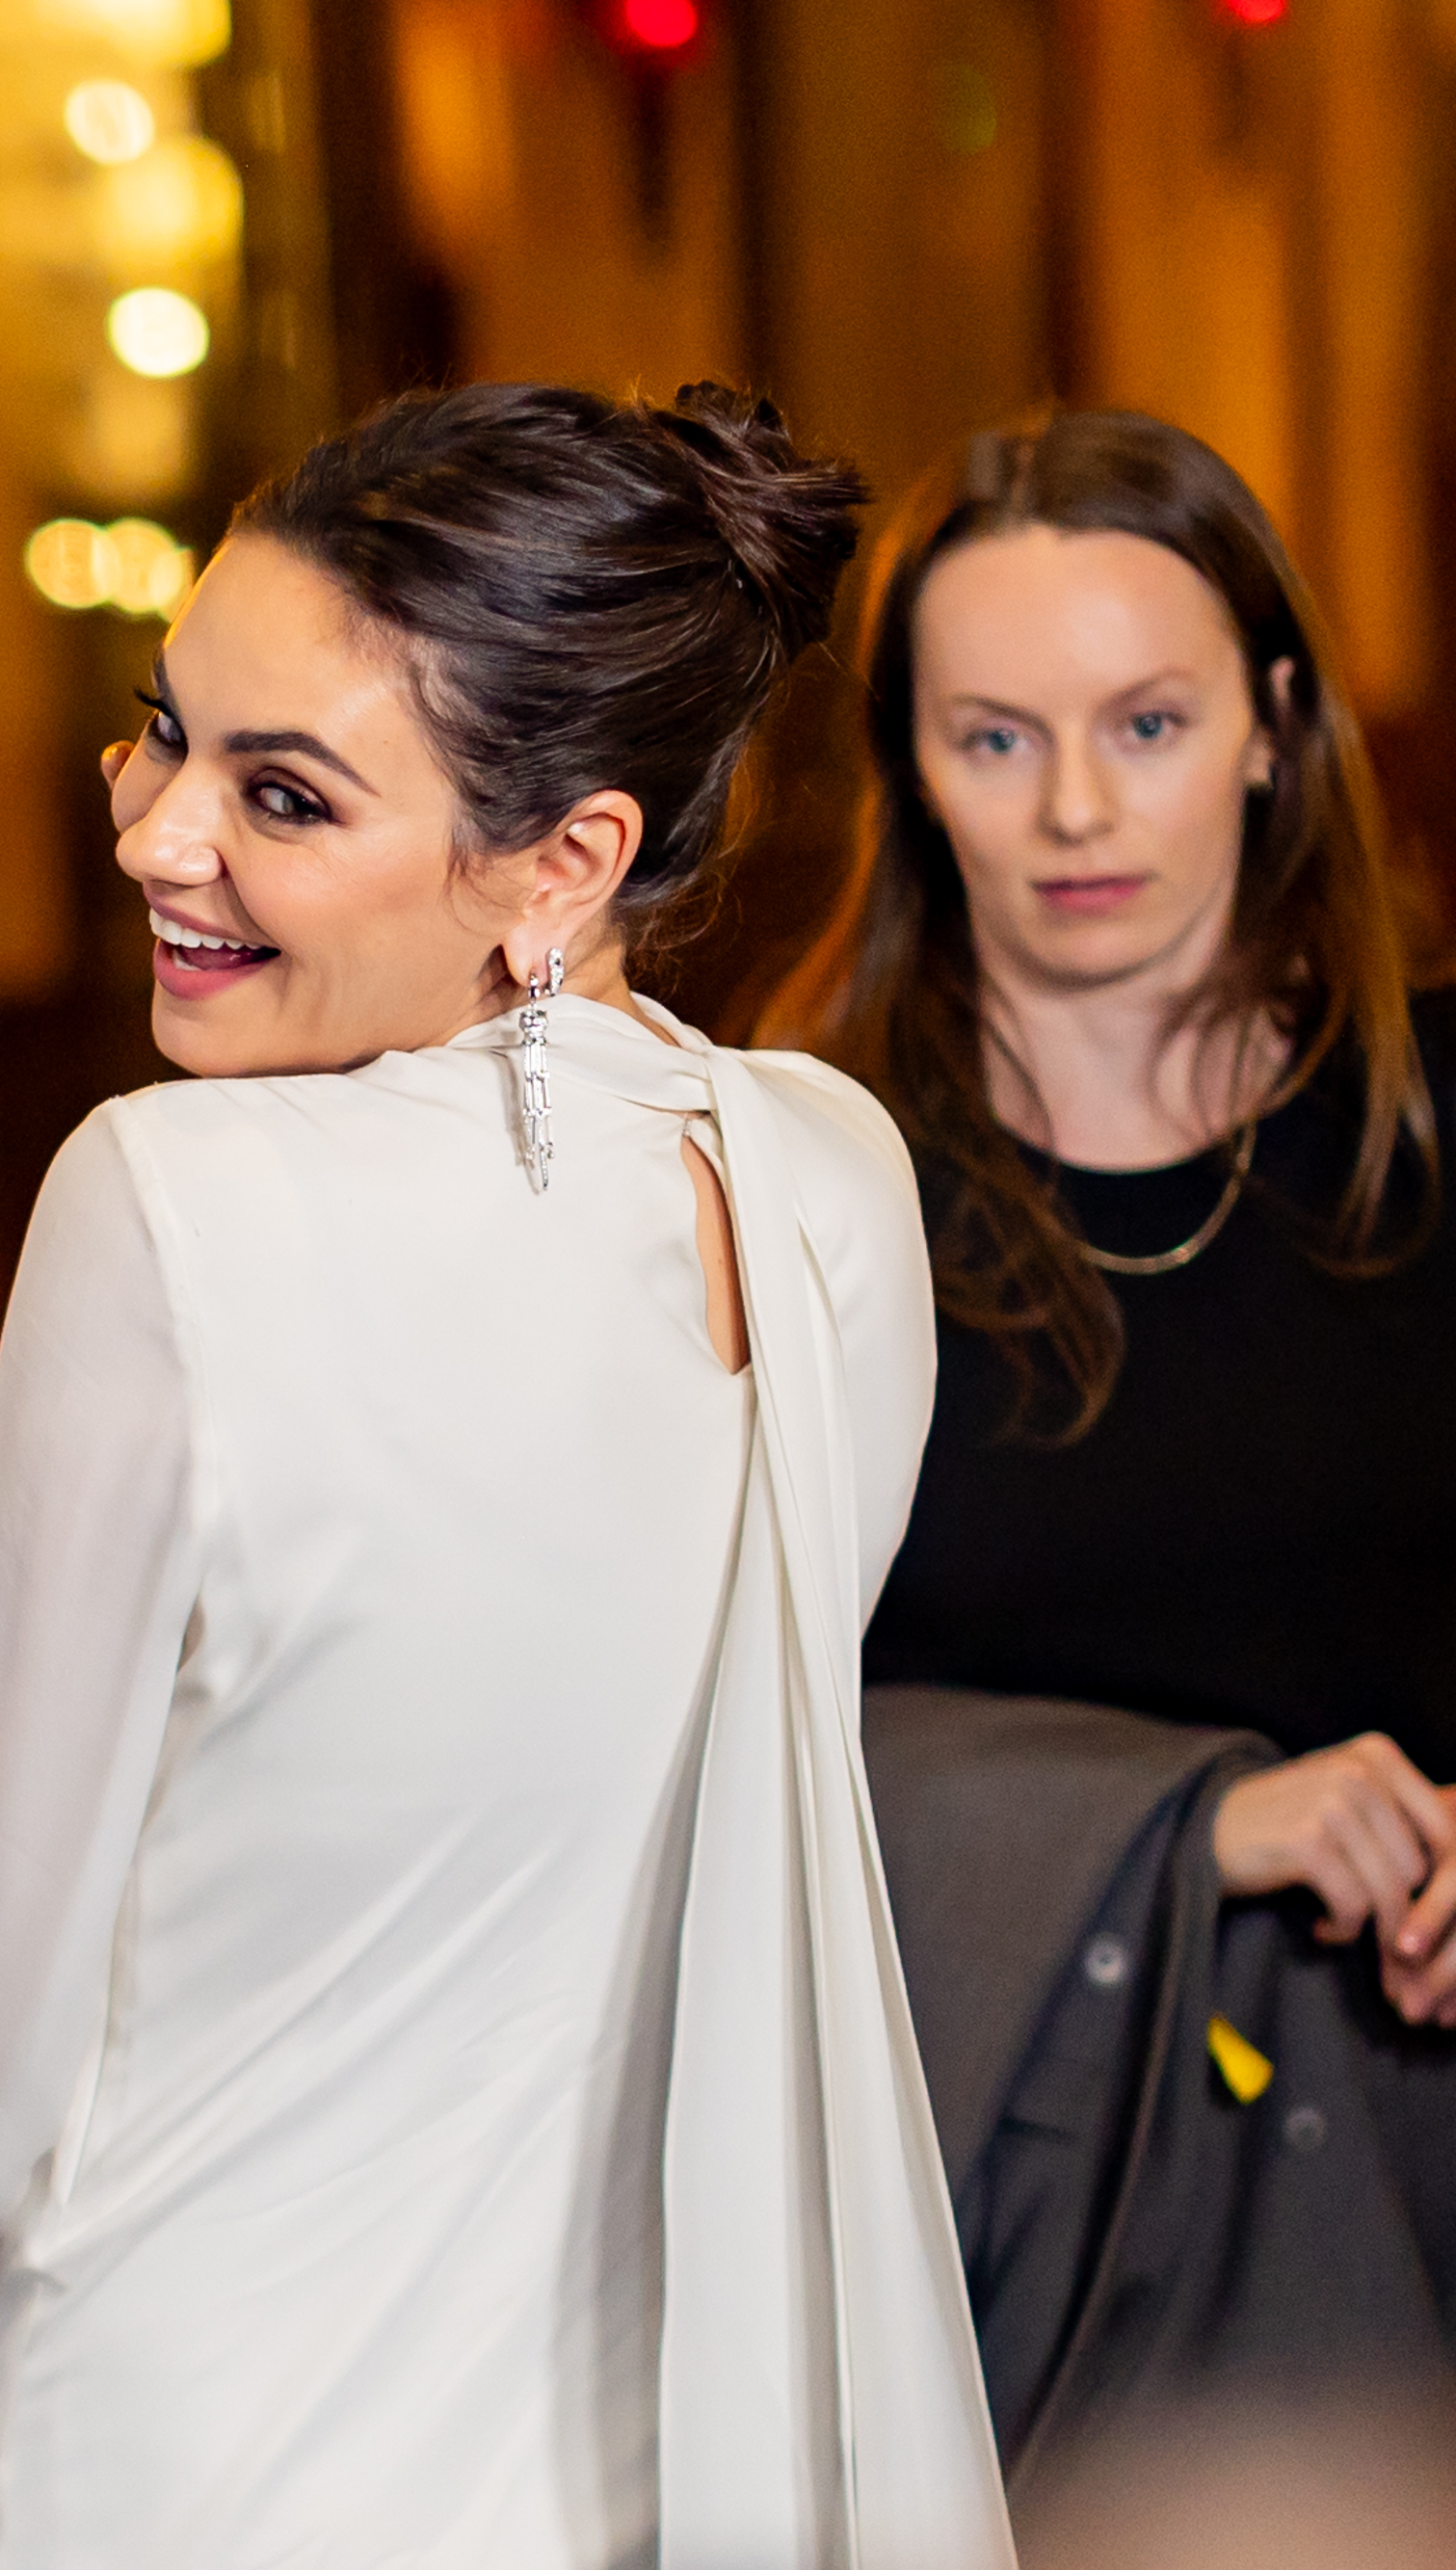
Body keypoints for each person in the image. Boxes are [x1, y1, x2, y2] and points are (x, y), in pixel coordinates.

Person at [0, 384, 1016, 2570]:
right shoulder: (830, 1179)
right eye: (158, 732)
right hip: (641, 2460)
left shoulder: (166, 1204)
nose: (158, 836)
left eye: (279, 793)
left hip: (157, 2458)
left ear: (563, 862)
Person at [759, 410, 1456, 2461]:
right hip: (1009, 2206)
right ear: (903, 767)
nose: (1074, 807)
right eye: (991, 738)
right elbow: (696, 1761)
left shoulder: (1436, 1125)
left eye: (1142, 723)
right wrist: (1179, 1823)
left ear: (1266, 722)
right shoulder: (798, 1187)